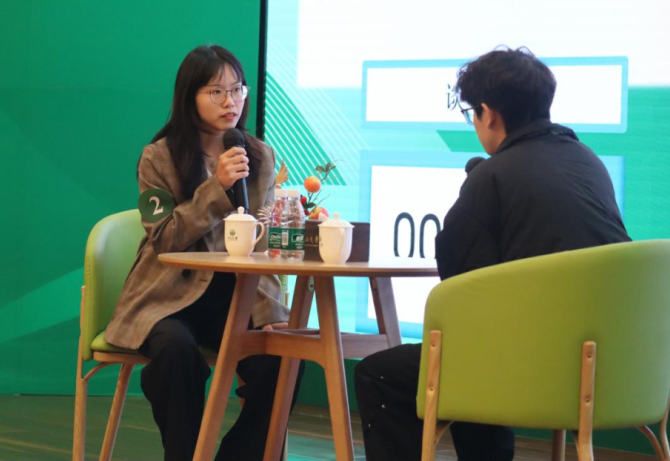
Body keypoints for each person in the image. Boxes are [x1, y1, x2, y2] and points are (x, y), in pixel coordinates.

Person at [354, 46, 631, 461]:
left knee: (382, 373)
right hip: (607, 368)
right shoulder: (588, 162)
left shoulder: (494, 174)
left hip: (535, 373)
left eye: (471, 112)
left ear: (489, 113)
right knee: (482, 347)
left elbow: (459, 281)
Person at [105, 45, 300, 461]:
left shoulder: (260, 156)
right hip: (167, 298)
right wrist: (217, 188)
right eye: (216, 91)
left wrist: (271, 313)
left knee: (285, 357)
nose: (231, 101)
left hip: (236, 299)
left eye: (238, 89)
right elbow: (164, 238)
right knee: (175, 352)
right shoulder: (157, 158)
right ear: (188, 96)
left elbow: (262, 243)